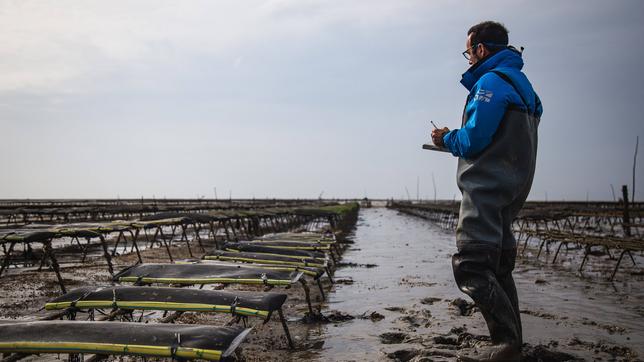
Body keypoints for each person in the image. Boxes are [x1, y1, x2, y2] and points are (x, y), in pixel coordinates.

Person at [431, 21, 542, 362]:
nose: (468, 59)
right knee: (500, 267)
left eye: (469, 51)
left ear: (480, 50)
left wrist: (447, 138)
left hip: (486, 188)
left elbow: (475, 139)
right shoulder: (526, 88)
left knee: (473, 266)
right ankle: (513, 344)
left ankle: (505, 344)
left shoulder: (491, 83)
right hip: (513, 189)